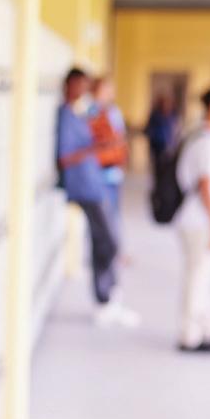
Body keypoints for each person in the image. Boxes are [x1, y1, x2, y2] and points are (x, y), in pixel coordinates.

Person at [56, 68, 140, 328]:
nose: (82, 91)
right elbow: (66, 156)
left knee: (104, 239)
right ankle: (105, 298)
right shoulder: (68, 116)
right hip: (86, 187)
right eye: (79, 85)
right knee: (108, 241)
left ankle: (109, 297)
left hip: (97, 185)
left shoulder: (80, 114)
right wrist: (98, 148)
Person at [173, 85, 210, 352]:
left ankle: (207, 328)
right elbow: (206, 188)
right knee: (198, 277)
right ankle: (189, 335)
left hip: (195, 219)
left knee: (203, 276)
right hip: (199, 221)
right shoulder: (209, 142)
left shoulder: (200, 136)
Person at [88, 76, 128, 245]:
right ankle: (108, 249)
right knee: (103, 216)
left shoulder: (113, 111)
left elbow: (120, 139)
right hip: (99, 172)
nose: (109, 93)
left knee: (114, 214)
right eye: (105, 89)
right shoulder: (92, 111)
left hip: (114, 172)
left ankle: (116, 248)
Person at [146, 93, 179, 166]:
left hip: (170, 147)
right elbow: (149, 130)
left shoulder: (173, 115)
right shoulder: (155, 115)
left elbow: (175, 130)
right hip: (158, 146)